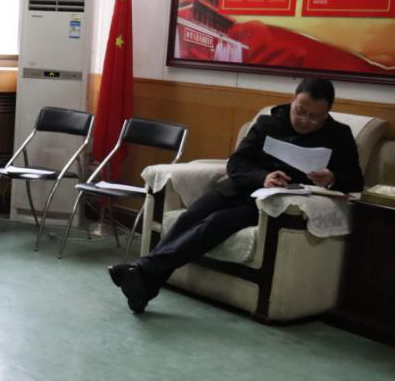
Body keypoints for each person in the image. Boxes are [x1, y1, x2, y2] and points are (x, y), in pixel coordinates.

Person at [108, 78, 363, 314]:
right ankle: (144, 285)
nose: (305, 121)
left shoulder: (338, 135)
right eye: (300, 111)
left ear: (327, 112)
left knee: (214, 223)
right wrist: (263, 176)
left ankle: (141, 271)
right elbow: (237, 162)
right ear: (292, 101)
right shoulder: (268, 123)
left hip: (269, 205)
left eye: (314, 117)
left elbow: (355, 180)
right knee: (189, 217)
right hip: (240, 187)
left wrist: (332, 177)